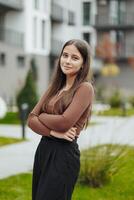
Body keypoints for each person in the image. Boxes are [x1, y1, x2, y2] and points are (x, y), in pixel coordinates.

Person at [27, 39, 94, 200]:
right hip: (44, 150)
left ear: (83, 64)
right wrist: (53, 132)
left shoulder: (85, 88)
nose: (68, 61)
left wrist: (41, 116)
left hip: (63, 154)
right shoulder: (54, 87)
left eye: (75, 58)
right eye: (65, 55)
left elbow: (65, 122)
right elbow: (30, 119)